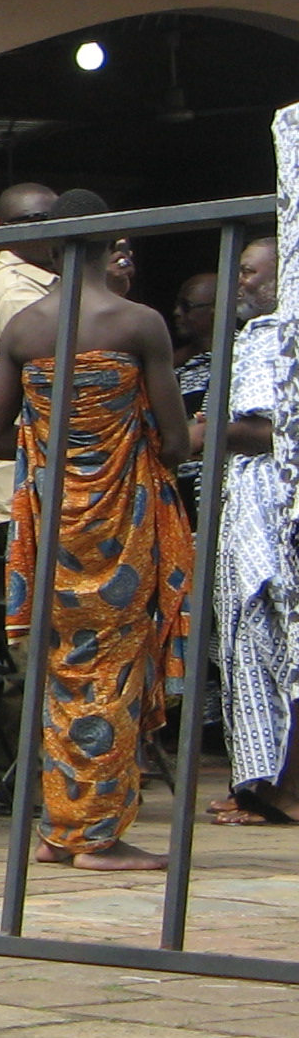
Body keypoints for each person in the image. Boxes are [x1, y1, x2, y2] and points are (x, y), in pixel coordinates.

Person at [0, 190, 195, 873]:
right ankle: (95, 837)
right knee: (112, 671)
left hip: (50, 528)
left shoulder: (23, 328)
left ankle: (58, 828)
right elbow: (173, 441)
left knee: (63, 674)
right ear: (115, 245)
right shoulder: (138, 322)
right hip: (121, 523)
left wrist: (56, 436)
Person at [209, 240, 297, 825]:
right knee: (247, 647)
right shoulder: (259, 332)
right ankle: (256, 784)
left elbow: (266, 430)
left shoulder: (275, 334)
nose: (239, 281)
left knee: (269, 640)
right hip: (248, 503)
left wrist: (196, 431)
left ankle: (279, 790)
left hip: (266, 507)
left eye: (249, 271)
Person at [0, 184, 62, 532]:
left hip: (36, 479)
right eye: (34, 220)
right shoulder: (16, 291)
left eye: (53, 218)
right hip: (17, 487)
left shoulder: (45, 282)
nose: (47, 228)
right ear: (7, 229)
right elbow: (67, 367)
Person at [173, 270, 221, 505]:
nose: (177, 313)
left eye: (187, 306)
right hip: (177, 491)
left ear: (215, 309)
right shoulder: (174, 366)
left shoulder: (243, 358)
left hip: (218, 491)